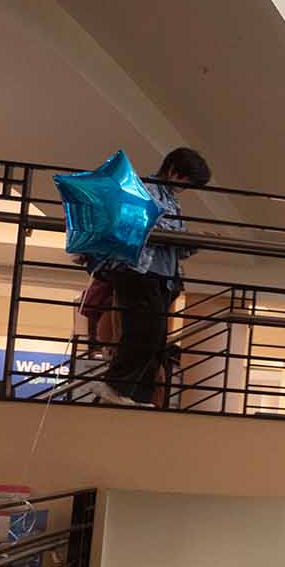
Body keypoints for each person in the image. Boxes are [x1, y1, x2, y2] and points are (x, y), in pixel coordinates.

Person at [93, 148, 210, 406]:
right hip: (138, 271)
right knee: (143, 331)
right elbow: (138, 226)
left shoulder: (171, 200)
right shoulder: (144, 189)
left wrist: (195, 241)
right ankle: (116, 385)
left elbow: (175, 246)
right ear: (175, 172)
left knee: (155, 338)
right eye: (187, 181)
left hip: (161, 275)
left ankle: (137, 393)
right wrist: (178, 237)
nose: (186, 188)